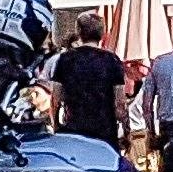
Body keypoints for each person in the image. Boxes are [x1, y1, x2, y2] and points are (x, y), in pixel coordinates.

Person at [47, 13, 129, 144]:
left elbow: (55, 99)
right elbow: (120, 102)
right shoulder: (111, 60)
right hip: (105, 130)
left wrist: (55, 124)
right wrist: (126, 130)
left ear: (79, 32)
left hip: (75, 128)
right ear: (102, 34)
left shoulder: (65, 59)